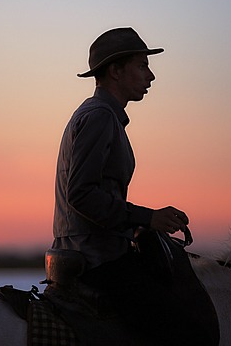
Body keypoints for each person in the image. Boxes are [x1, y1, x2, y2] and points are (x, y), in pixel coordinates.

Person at [51, 27, 196, 345]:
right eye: (143, 65)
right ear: (115, 71)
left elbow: (92, 197)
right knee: (185, 331)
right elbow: (82, 194)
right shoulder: (101, 116)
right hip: (96, 258)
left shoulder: (98, 115)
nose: (151, 76)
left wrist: (141, 224)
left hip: (89, 251)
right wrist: (148, 219)